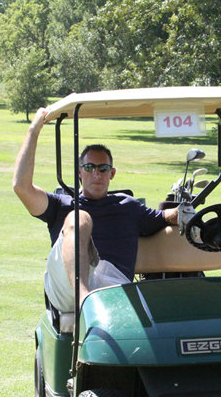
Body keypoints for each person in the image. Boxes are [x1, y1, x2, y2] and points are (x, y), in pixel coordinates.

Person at [13, 108, 195, 313]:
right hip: (67, 290)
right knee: (79, 217)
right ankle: (84, 299)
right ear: (80, 172)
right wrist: (34, 130)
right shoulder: (59, 205)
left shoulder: (128, 207)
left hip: (113, 288)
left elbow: (164, 217)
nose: (96, 174)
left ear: (112, 173)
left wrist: (184, 212)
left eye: (103, 169)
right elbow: (21, 187)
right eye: (89, 168)